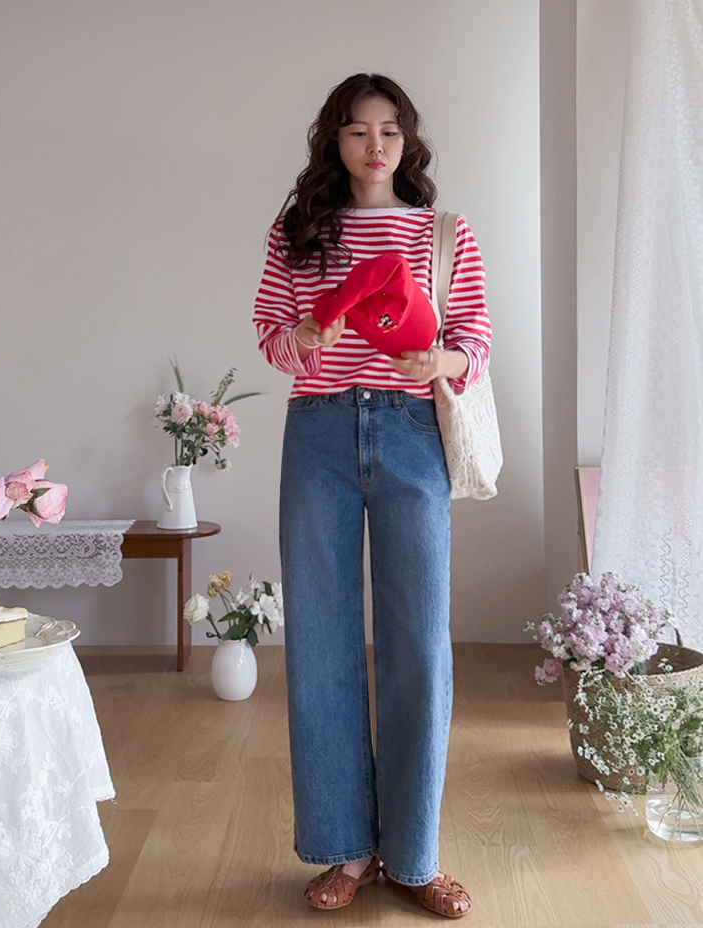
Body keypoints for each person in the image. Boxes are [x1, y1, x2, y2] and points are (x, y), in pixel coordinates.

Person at [252, 73, 490, 919]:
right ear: (335, 140)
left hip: (411, 433)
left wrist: (441, 361)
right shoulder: (299, 233)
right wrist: (306, 334)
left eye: (389, 130)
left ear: (407, 140)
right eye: (357, 130)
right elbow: (273, 340)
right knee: (320, 640)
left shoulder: (442, 232)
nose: (375, 144)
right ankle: (345, 850)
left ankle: (414, 857)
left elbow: (474, 339)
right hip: (317, 433)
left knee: (419, 642)